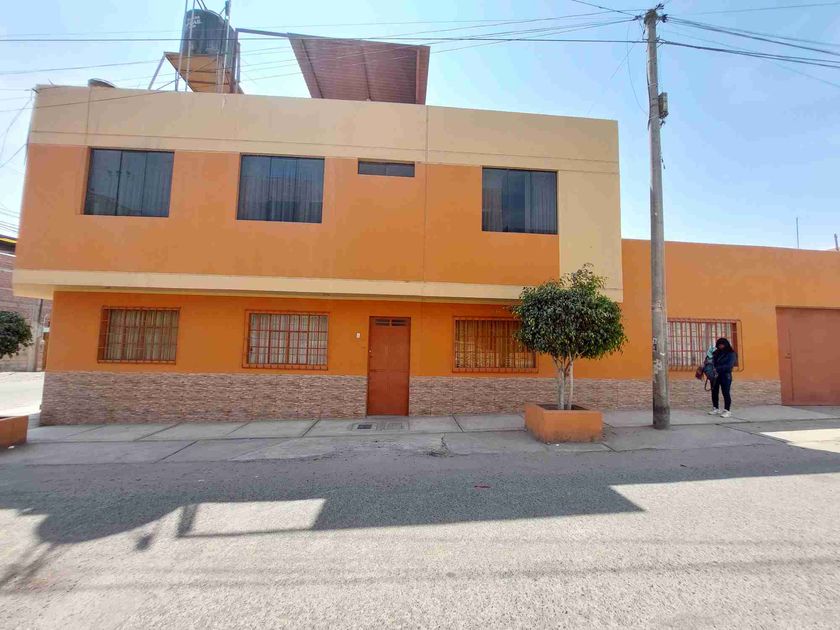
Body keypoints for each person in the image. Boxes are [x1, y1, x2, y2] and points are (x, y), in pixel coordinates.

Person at [707, 337, 737, 418]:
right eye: (719, 345)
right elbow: (711, 361)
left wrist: (717, 368)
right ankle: (715, 408)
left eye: (722, 345)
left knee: (725, 392)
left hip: (725, 375)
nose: (720, 346)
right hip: (715, 375)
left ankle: (727, 410)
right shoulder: (716, 352)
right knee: (714, 392)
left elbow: (729, 365)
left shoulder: (731, 353)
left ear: (726, 345)